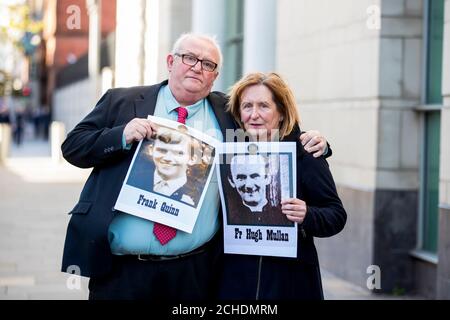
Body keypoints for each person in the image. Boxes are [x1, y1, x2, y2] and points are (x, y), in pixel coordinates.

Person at [61, 33, 330, 300]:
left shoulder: (228, 113)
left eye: (208, 64)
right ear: (170, 62)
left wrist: (317, 143)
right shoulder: (121, 102)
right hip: (122, 274)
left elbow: (271, 126)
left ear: (215, 76)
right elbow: (73, 147)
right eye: (189, 58)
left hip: (194, 274)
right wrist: (121, 134)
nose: (197, 67)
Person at [218, 72, 347, 300]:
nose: (254, 114)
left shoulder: (305, 152)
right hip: (235, 283)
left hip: (289, 283)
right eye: (247, 106)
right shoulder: (228, 152)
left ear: (281, 112)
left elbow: (336, 215)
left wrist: (307, 214)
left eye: (264, 106)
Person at [126, 126, 207, 206]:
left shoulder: (198, 196)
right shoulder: (133, 178)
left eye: (178, 153)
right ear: (151, 150)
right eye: (162, 150)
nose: (168, 158)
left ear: (192, 159)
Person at [225, 153, 292, 226]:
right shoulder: (228, 216)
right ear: (231, 181)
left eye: (255, 176)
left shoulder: (282, 215)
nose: (248, 185)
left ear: (267, 178)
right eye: (241, 178)